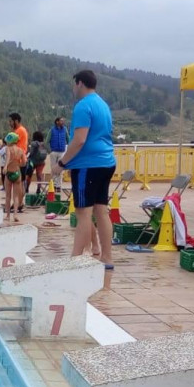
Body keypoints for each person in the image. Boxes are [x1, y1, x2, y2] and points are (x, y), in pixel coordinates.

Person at [59, 70, 118, 270]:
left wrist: (62, 163)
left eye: (74, 84)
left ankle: (75, 261)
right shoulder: (103, 104)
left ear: (80, 83)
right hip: (106, 162)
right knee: (101, 211)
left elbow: (79, 140)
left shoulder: (83, 106)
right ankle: (107, 258)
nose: (73, 88)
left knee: (83, 213)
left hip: (88, 165)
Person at [3, 132, 26, 222]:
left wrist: (5, 166)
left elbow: (8, 157)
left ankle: (8, 215)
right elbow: (24, 163)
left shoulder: (8, 148)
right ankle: (15, 214)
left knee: (8, 196)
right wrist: (17, 164)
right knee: (16, 196)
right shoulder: (21, 150)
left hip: (9, 172)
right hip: (17, 173)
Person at [48, 117, 69, 187]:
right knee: (53, 168)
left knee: (60, 168)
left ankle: (59, 185)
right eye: (61, 121)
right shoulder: (52, 130)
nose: (63, 122)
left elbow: (68, 139)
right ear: (57, 122)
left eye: (63, 121)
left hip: (62, 152)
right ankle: (53, 184)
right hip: (53, 152)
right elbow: (47, 140)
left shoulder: (65, 129)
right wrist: (50, 150)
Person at [25, 130, 47, 194]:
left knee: (29, 175)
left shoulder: (33, 143)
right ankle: (38, 189)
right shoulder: (43, 143)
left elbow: (31, 152)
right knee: (39, 175)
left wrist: (28, 157)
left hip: (33, 162)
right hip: (41, 162)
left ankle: (27, 188)